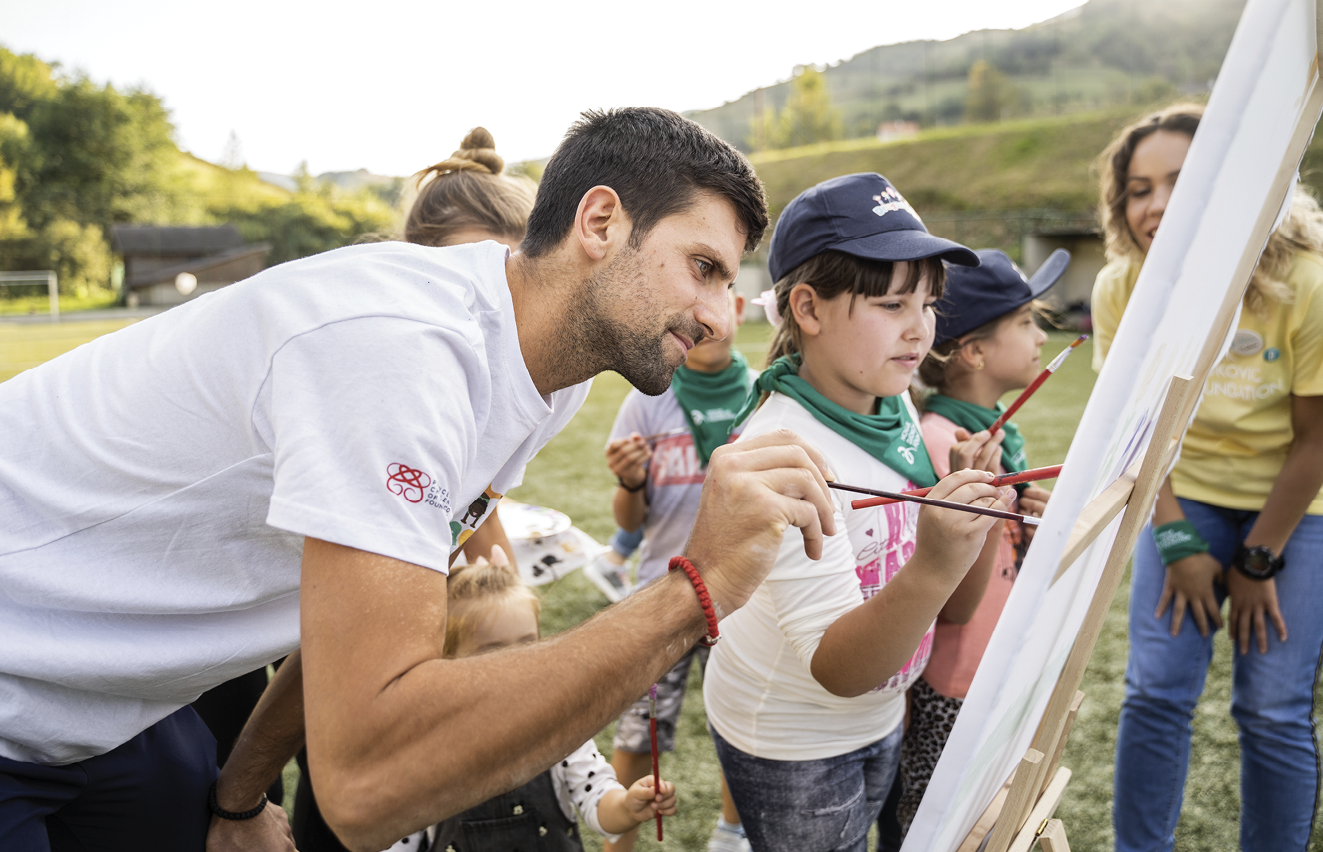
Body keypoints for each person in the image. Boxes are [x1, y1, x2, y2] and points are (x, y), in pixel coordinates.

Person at [0, 107, 845, 852]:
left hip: (115, 715)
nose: (714, 314)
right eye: (700, 266)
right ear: (598, 221)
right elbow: (368, 784)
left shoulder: (551, 371)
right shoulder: (398, 349)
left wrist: (240, 794)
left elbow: (361, 615)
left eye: (728, 282)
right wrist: (695, 587)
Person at [703, 173, 1011, 852]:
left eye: (928, 303)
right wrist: (932, 561)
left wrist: (975, 509)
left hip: (880, 714)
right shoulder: (782, 459)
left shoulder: (888, 399)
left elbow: (956, 610)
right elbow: (838, 671)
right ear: (807, 309)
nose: (919, 329)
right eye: (892, 303)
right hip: (793, 746)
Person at [289, 126, 540, 852]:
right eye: (463, 269)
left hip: (422, 618)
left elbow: (478, 505)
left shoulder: (513, 377)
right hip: (316, 613)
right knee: (334, 771)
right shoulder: (377, 361)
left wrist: (505, 604)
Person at [1093, 104, 1323, 852]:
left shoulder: (1309, 282)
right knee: (1155, 693)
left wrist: (1257, 558)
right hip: (1179, 491)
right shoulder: (1121, 288)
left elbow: (1317, 437)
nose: (1154, 206)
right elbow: (1135, 434)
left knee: (1272, 707)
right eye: (1137, 189)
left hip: (1295, 508)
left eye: (1180, 183)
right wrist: (1177, 536)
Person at [895, 249, 1065, 833]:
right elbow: (945, 591)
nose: (1041, 336)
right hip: (952, 679)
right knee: (942, 829)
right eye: (1025, 322)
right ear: (973, 351)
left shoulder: (999, 436)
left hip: (998, 667)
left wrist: (1035, 523)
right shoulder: (939, 442)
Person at [601, 287, 753, 852]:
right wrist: (630, 481)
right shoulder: (649, 396)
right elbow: (632, 521)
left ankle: (732, 834)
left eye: (725, 303)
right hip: (662, 590)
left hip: (742, 598)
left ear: (738, 312)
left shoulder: (764, 396)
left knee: (740, 725)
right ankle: (621, 838)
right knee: (642, 726)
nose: (711, 319)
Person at [428, 550, 676, 852]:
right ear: (447, 658)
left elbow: (596, 796)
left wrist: (626, 807)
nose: (518, 662)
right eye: (492, 650)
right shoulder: (424, 744)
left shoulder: (557, 724)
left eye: (528, 644)